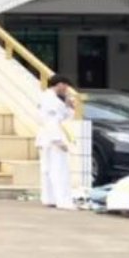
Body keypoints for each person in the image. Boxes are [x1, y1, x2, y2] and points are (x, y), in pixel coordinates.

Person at [37, 73, 75, 207]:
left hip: (47, 137)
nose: (66, 89)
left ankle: (49, 199)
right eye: (65, 86)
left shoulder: (52, 98)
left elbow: (65, 117)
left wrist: (68, 105)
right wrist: (57, 140)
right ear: (59, 84)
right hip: (52, 138)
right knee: (59, 169)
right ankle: (62, 200)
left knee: (47, 169)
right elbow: (51, 121)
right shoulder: (50, 99)